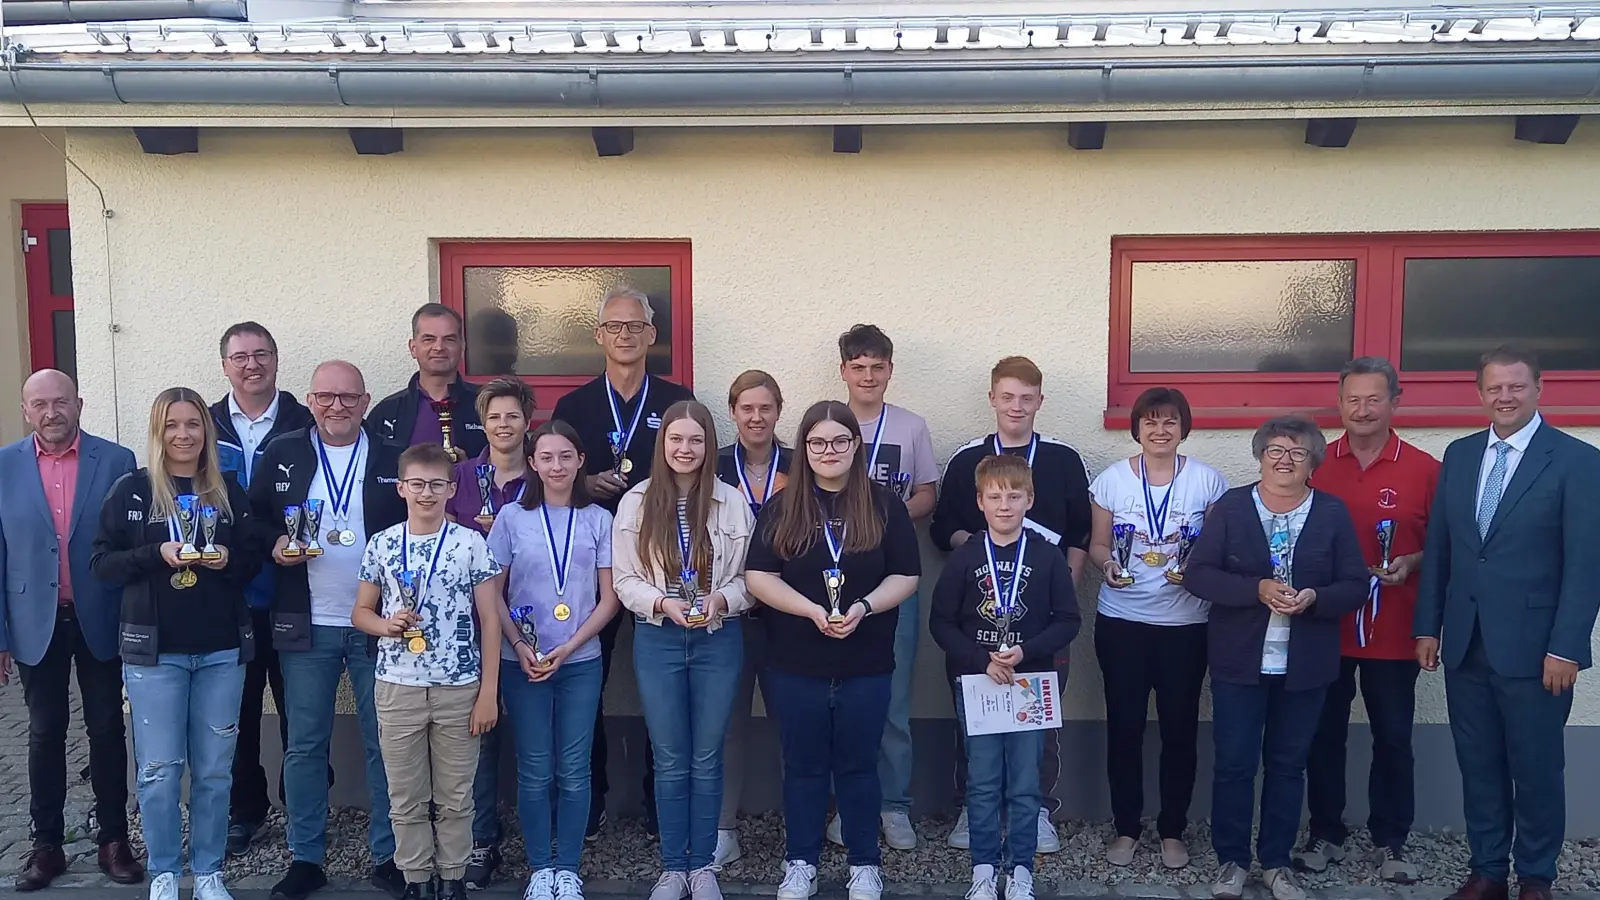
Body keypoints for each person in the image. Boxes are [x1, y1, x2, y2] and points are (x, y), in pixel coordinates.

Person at [1414, 347, 1600, 900]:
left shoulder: (1577, 461)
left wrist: (1567, 646)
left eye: (1516, 386)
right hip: (1465, 643)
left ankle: (1536, 877)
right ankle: (1488, 871)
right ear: (1480, 393)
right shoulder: (1460, 455)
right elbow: (1441, 549)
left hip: (1538, 651)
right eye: (1494, 387)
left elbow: (1585, 565)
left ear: (1539, 389)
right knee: (1479, 765)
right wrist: (1428, 626)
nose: (1505, 397)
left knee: (1536, 768)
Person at [1184, 416, 1369, 900]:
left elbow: (1355, 584)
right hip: (1239, 661)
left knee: (1288, 766)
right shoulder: (1231, 507)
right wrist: (1257, 588)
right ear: (1260, 455)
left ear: (1313, 462)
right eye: (1275, 450)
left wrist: (1316, 598)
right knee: (1234, 765)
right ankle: (1231, 861)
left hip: (1305, 665)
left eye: (1297, 452)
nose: (1285, 460)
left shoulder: (1331, 512)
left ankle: (1276, 862)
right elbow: (1199, 574)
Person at [91, 387, 261, 900]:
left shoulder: (228, 491)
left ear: (206, 431)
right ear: (157, 432)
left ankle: (208, 872)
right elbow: (102, 564)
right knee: (160, 771)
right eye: (172, 425)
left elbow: (254, 561)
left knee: (213, 771)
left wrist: (227, 560)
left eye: (193, 424)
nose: (183, 435)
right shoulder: (133, 491)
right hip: (155, 653)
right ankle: (165, 871)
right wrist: (154, 553)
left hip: (221, 651)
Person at [746, 400, 920, 900]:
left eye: (839, 441)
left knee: (859, 766)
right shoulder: (782, 506)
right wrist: (809, 610)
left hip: (866, 661)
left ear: (855, 445)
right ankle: (800, 862)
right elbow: (758, 576)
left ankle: (864, 864)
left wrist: (863, 607)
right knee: (802, 767)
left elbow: (906, 574)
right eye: (817, 442)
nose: (829, 451)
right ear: (804, 448)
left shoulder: (884, 505)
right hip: (795, 662)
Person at [249, 361, 408, 900]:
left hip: (378, 623)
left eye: (347, 397)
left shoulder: (391, 456)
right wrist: (275, 542)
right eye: (325, 397)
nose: (336, 406)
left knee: (384, 742)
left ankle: (390, 855)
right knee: (304, 744)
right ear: (311, 401)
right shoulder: (283, 452)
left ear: (366, 402)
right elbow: (253, 518)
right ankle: (306, 857)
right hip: (306, 622)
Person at [931, 356, 1092, 854]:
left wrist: (1065, 579)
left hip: (1040, 623)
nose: (1016, 406)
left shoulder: (1063, 459)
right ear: (992, 400)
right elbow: (942, 528)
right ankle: (972, 807)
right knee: (973, 721)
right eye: (1007, 397)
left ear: (1040, 401)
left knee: (1039, 723)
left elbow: (1081, 529)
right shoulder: (967, 459)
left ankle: (1037, 809)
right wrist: (981, 553)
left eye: (1026, 397)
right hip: (979, 625)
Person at [550, 286, 695, 838]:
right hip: (590, 562)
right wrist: (584, 483)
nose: (625, 335)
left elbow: (693, 464)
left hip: (663, 559)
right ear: (599, 335)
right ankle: (591, 795)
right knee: (587, 675)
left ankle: (664, 798)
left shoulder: (677, 400)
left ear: (652, 335)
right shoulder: (574, 406)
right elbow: (555, 473)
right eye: (614, 326)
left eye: (635, 326)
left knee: (669, 680)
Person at [1297, 358, 1439, 884]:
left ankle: (1391, 839)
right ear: (1339, 404)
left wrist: (1414, 561)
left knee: (1394, 737)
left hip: (1395, 626)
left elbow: (1445, 547)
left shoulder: (1425, 468)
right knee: (1322, 734)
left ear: (1395, 402)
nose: (1362, 410)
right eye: (1352, 399)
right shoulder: (1315, 464)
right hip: (1325, 625)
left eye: (1373, 399)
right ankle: (1325, 832)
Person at [1, 369, 141, 890]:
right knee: (44, 732)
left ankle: (114, 840)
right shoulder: (3, 466)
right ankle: (47, 846)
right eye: (39, 404)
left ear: (79, 404)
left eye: (60, 401)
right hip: (33, 620)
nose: (51, 412)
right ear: (25, 410)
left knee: (106, 729)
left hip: (101, 616)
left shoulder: (118, 461)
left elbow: (129, 545)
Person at [614, 400, 752, 900]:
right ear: (662, 444)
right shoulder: (636, 502)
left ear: (709, 445)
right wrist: (662, 604)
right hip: (658, 637)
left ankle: (703, 868)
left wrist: (721, 600)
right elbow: (625, 579)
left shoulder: (731, 502)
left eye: (696, 440)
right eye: (676, 439)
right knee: (671, 757)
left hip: (718, 637)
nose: (685, 449)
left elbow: (750, 578)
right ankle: (674, 868)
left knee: (708, 756)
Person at [352, 444, 504, 900]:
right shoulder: (382, 543)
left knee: (457, 794)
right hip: (397, 685)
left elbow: (490, 619)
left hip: (459, 687)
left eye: (437, 485)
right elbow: (360, 612)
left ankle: (453, 879)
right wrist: (386, 625)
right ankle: (416, 881)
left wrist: (488, 692)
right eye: (417, 484)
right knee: (406, 795)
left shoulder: (470, 543)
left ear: (452, 489)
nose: (426, 493)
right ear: (401, 488)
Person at [1085, 387, 1227, 870]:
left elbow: (1216, 550)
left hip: (1185, 625)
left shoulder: (1207, 481)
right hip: (1122, 622)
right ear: (1137, 428)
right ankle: (1126, 827)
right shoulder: (1112, 481)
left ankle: (1172, 830)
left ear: (1184, 428)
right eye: (1151, 421)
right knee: (1124, 728)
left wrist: (1197, 572)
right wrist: (1107, 565)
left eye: (1170, 421)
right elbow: (1098, 544)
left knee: (1179, 730)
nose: (1160, 430)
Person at [929, 454, 1081, 900]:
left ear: (1029, 500)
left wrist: (1026, 651)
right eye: (994, 497)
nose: (1004, 506)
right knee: (982, 781)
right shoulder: (966, 557)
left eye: (1014, 496)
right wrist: (982, 660)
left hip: (1028, 683)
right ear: (979, 502)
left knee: (1025, 783)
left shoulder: (1047, 556)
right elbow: (941, 623)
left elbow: (1068, 620)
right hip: (979, 684)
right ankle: (982, 870)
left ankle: (1020, 872)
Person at [486, 420, 619, 900]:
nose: (556, 466)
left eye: (566, 456)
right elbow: (492, 593)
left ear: (581, 461)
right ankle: (541, 868)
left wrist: (571, 645)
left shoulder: (599, 519)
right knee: (535, 768)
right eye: (546, 457)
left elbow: (609, 599)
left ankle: (568, 868)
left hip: (579, 661)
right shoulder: (510, 519)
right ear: (533, 463)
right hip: (523, 662)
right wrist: (519, 645)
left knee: (574, 768)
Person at [210, 321, 316, 859]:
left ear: (276, 359)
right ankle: (244, 809)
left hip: (295, 591)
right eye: (240, 357)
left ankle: (304, 806)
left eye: (261, 354)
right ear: (224, 365)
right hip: (229, 593)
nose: (252, 365)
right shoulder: (203, 424)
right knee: (238, 708)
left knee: (302, 710)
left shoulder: (306, 421)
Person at [832, 324, 936, 851]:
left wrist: (885, 519)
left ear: (890, 370)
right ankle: (846, 805)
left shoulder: (911, 427)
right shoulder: (829, 423)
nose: (868, 376)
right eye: (859, 367)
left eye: (877, 367)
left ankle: (894, 805)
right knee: (841, 697)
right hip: (833, 581)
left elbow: (927, 494)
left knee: (892, 699)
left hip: (893, 578)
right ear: (844, 371)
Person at [445, 377, 536, 890]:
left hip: (534, 627)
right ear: (483, 423)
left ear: (527, 421)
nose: (504, 425)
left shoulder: (545, 473)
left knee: (535, 738)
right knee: (477, 737)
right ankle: (481, 840)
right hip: (467, 628)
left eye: (512, 416)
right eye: (494, 417)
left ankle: (544, 843)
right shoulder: (458, 477)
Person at [711, 370, 791, 866]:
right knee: (727, 724)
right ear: (733, 412)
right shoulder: (712, 464)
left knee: (795, 724)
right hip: (729, 613)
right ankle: (723, 829)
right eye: (747, 408)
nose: (756, 417)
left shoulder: (802, 464)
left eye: (765, 408)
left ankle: (798, 831)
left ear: (779, 411)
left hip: (790, 614)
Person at [370, 303, 487, 460]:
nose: (439, 347)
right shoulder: (386, 413)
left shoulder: (487, 404)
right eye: (429, 339)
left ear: (462, 347)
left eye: (449, 339)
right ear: (413, 348)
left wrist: (470, 470)